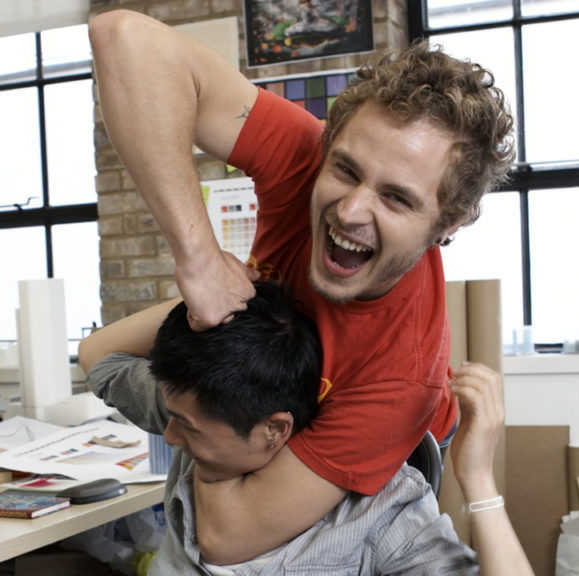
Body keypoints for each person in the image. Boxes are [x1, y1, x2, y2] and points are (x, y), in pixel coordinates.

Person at [90, 8, 515, 564]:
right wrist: (199, 259)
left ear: (447, 223)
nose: (351, 209)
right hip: (261, 396)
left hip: (374, 462)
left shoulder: (400, 377)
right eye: (345, 170)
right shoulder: (307, 160)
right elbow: (121, 37)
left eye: (397, 198)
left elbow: (227, 537)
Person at [78, 281, 532, 575]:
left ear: (274, 430)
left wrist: (478, 480)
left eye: (187, 429)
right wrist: (218, 286)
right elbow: (99, 354)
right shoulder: (200, 406)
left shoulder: (378, 507)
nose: (170, 436)